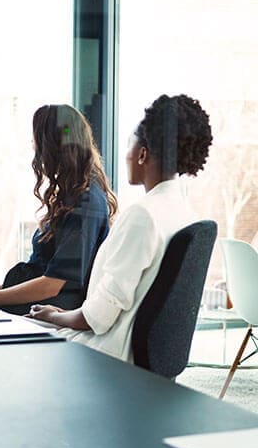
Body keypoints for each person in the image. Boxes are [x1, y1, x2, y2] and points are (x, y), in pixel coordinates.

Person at [28, 94, 213, 362]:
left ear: (142, 154)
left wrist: (53, 315)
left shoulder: (143, 215)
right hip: (135, 356)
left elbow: (96, 318)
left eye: (129, 144)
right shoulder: (185, 213)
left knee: (9, 336)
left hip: (106, 353)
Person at [0, 104, 117, 315]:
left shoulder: (86, 203)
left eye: (37, 140)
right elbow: (41, 272)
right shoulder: (72, 194)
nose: (34, 146)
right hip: (38, 304)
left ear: (52, 146)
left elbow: (52, 284)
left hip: (48, 310)